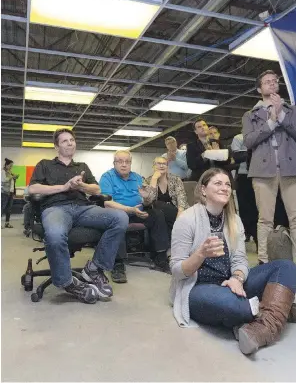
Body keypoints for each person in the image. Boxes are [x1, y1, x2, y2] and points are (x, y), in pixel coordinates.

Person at [169, 168, 296, 355]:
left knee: (287, 267)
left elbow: (240, 259)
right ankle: (280, 310)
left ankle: (262, 328)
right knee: (234, 307)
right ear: (203, 190)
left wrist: (237, 277)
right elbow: (177, 270)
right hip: (198, 287)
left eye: (227, 184)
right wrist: (200, 254)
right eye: (217, 183)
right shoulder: (186, 220)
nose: (224, 188)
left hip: (231, 283)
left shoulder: (234, 220)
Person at [242, 70, 296, 287]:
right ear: (259, 89)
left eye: (275, 81)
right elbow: (249, 141)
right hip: (263, 171)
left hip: (292, 169)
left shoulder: (293, 110)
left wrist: (281, 115)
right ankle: (263, 263)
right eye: (267, 82)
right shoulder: (249, 115)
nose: (272, 84)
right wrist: (271, 121)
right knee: (265, 219)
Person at [28, 128, 129, 304]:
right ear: (56, 146)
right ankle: (67, 282)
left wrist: (82, 186)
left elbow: (97, 189)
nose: (70, 143)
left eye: (72, 140)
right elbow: (33, 189)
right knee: (55, 234)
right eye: (65, 141)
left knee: (120, 218)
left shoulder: (82, 167)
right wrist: (64, 187)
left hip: (83, 208)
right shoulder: (45, 164)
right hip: (55, 208)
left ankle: (94, 268)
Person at [99, 150, 171, 282]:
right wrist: (130, 209)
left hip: (138, 211)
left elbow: (147, 202)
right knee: (118, 218)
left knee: (157, 214)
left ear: (131, 163)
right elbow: (106, 203)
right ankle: (118, 263)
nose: (124, 164)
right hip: (118, 212)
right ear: (114, 163)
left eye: (127, 161)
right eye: (120, 161)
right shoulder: (107, 177)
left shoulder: (137, 177)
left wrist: (146, 199)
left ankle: (160, 257)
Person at [141, 156, 189, 237]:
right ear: (153, 166)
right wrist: (154, 179)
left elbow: (182, 198)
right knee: (157, 205)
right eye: (159, 163)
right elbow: (148, 203)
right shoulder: (148, 180)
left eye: (164, 164)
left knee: (158, 205)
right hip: (158, 214)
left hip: (176, 210)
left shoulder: (175, 179)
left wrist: (179, 216)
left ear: (167, 167)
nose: (162, 166)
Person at [231, 133, 258, 244]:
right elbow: (237, 157)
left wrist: (246, 153)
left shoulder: (259, 136)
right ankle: (246, 232)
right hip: (243, 177)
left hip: (259, 175)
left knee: (258, 208)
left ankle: (257, 236)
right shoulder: (238, 138)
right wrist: (253, 152)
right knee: (244, 208)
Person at [1, 158, 18, 229]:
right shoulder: (2, 171)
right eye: (10, 165)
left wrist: (15, 178)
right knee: (2, 208)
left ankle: (7, 223)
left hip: (11, 192)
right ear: (6, 165)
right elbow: (3, 180)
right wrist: (12, 177)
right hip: (4, 193)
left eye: (12, 166)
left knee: (9, 209)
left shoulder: (10, 172)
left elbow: (11, 182)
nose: (11, 167)